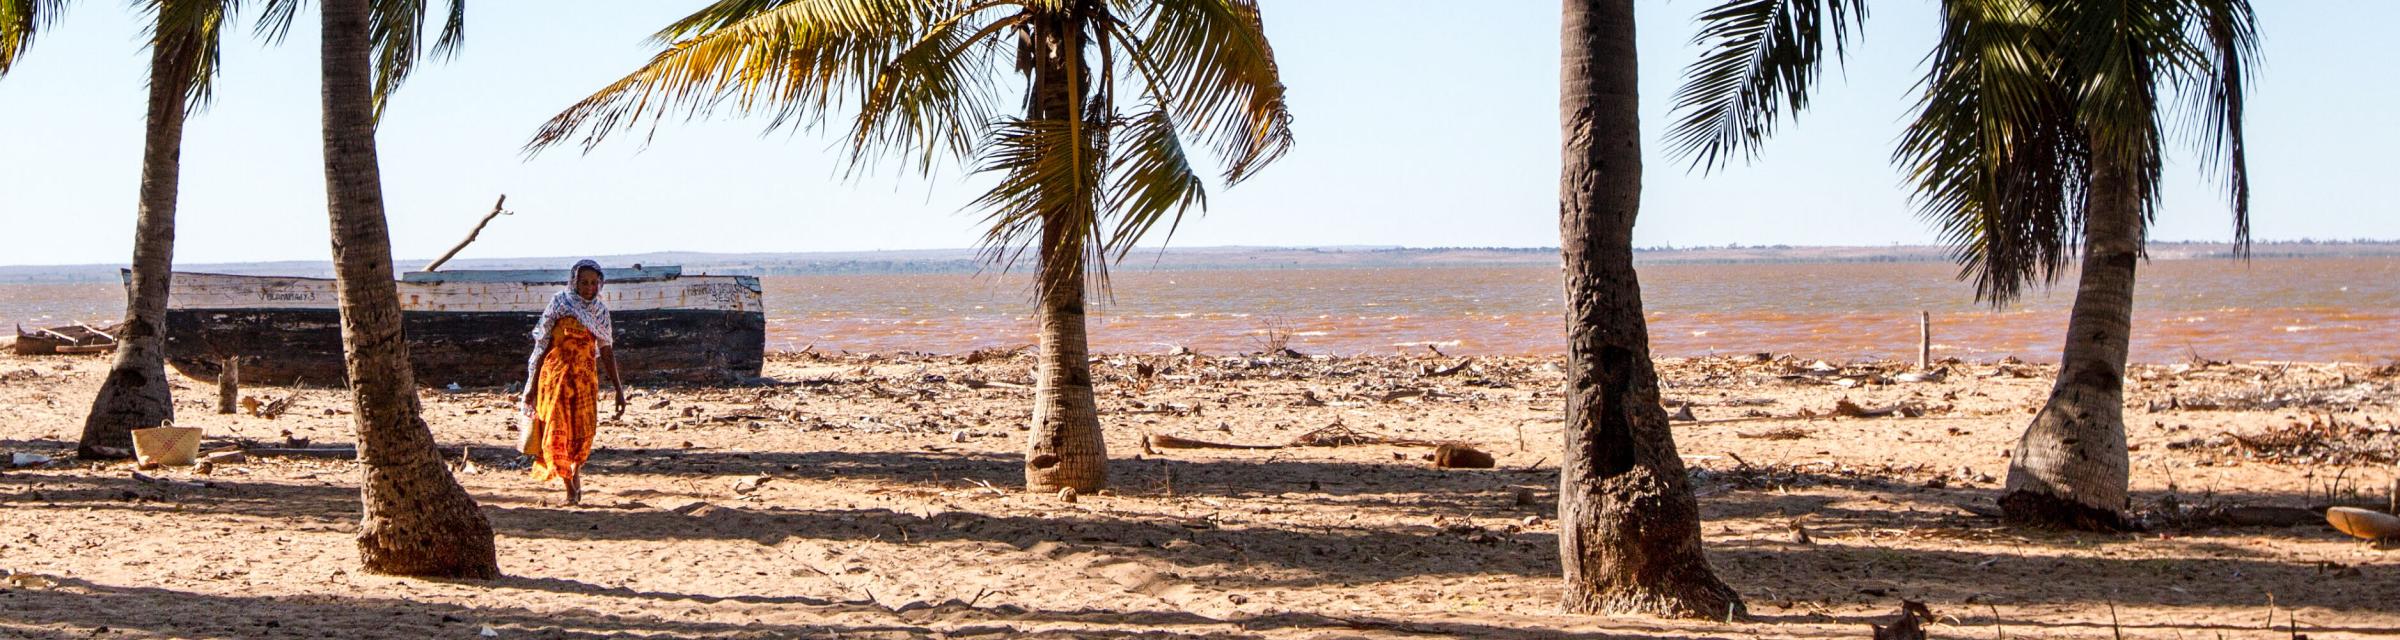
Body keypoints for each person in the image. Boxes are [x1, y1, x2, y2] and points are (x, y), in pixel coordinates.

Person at [520, 260, 628, 505]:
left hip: (585, 381)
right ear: (574, 282)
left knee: (582, 432)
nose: (589, 287)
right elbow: (543, 344)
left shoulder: (600, 311)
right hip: (554, 379)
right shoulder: (560, 302)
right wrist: (532, 386)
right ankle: (569, 486)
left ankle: (576, 472)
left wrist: (619, 391)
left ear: (600, 284)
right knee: (556, 431)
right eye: (584, 282)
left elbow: (607, 351)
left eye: (593, 283)